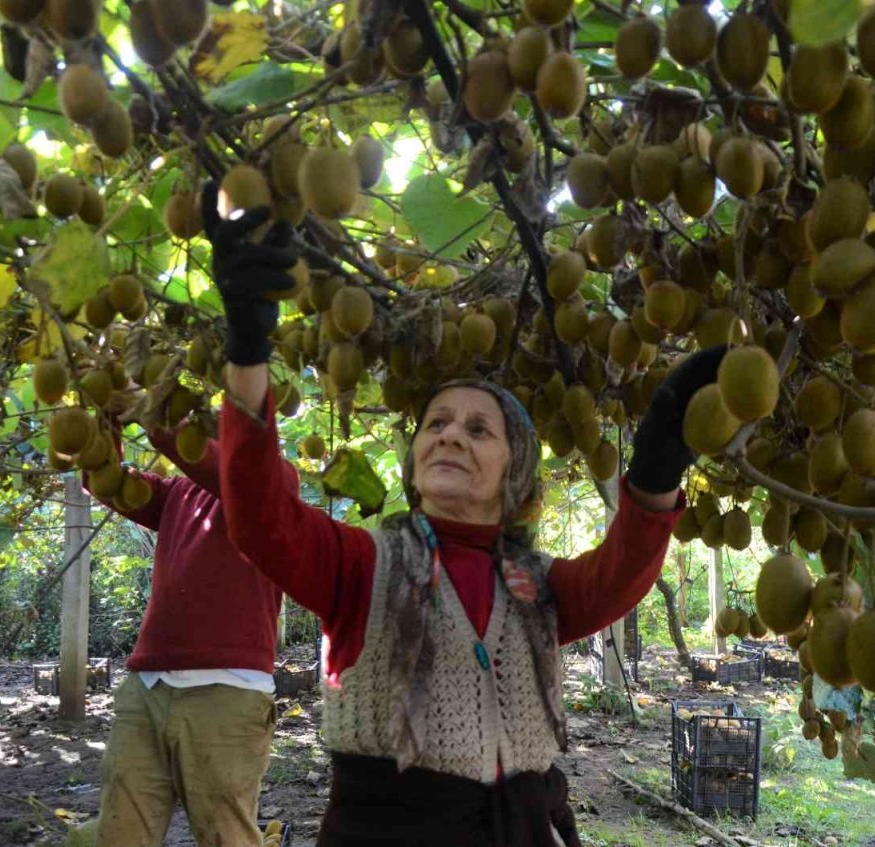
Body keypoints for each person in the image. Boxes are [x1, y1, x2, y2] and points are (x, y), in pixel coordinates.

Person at [201, 183, 726, 846]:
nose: (450, 434)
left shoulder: (534, 584)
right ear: (414, 454)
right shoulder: (365, 564)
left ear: (517, 472)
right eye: (437, 423)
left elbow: (614, 579)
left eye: (479, 430)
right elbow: (261, 519)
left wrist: (653, 475)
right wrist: (248, 351)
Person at [83, 418, 283, 847]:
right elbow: (105, 482)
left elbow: (218, 468)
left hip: (226, 694)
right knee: (118, 834)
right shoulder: (177, 493)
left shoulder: (275, 481)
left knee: (226, 837)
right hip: (147, 692)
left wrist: (145, 407)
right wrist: (101, 420)